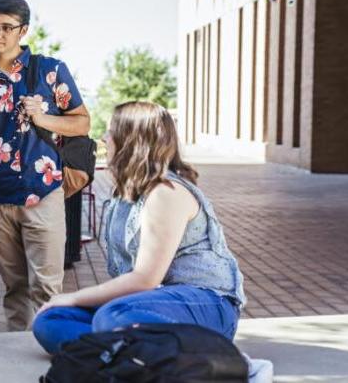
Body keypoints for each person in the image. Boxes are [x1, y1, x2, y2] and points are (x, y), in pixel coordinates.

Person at [32, 101, 246, 355]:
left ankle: (210, 361)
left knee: (113, 317)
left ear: (130, 141)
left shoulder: (166, 193)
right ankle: (131, 357)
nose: (103, 138)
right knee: (51, 320)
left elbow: (145, 279)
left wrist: (73, 296)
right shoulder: (127, 193)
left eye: (111, 131)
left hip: (207, 304)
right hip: (147, 306)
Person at [0, 0, 90, 331]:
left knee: (47, 289)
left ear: (23, 30)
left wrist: (44, 119)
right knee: (16, 290)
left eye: (6, 28)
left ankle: (48, 357)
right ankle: (20, 363)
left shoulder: (51, 71)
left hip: (43, 194)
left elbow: (82, 123)